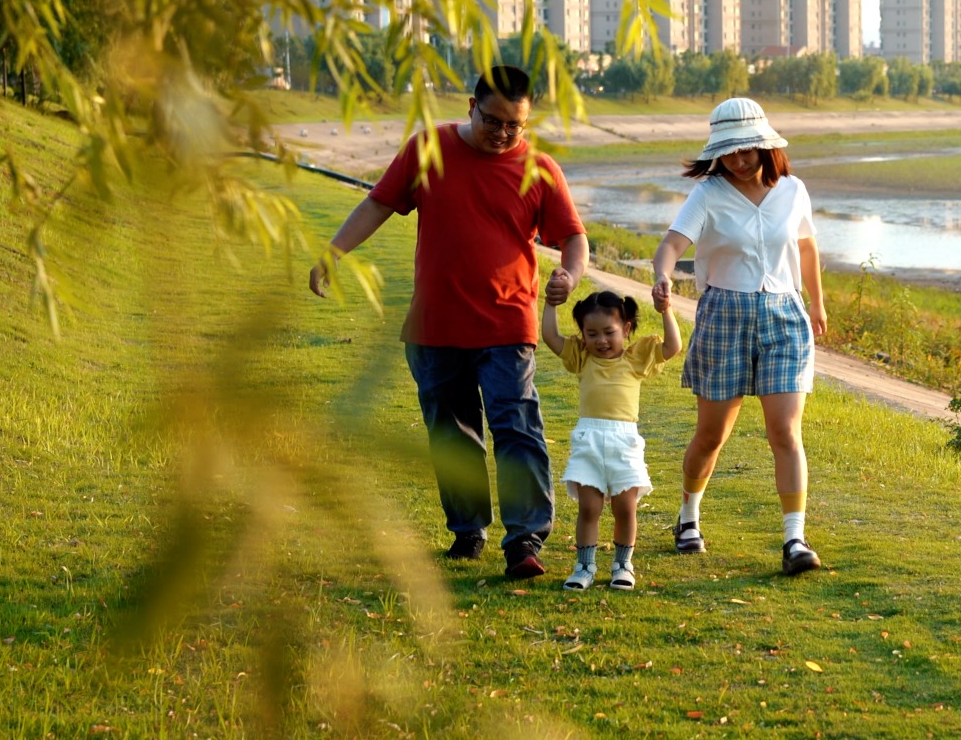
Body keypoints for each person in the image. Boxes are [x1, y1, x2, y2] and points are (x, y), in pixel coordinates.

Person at [307, 67, 587, 578]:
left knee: (516, 428)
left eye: (515, 125)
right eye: (493, 120)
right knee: (452, 434)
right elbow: (379, 204)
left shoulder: (539, 168)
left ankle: (524, 540)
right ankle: (468, 531)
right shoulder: (427, 149)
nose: (503, 133)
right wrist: (334, 252)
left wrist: (569, 275)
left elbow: (573, 238)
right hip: (435, 326)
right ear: (471, 108)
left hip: (508, 323)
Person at [649, 97, 828, 576]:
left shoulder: (793, 190)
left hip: (785, 315)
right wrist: (663, 275)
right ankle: (688, 517)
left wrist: (817, 302)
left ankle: (795, 539)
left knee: (785, 431)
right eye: (728, 152)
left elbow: (807, 248)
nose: (739, 159)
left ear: (765, 144)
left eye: (746, 148)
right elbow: (671, 243)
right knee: (711, 435)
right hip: (723, 314)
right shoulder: (707, 193)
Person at [539, 288, 682, 590]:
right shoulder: (582, 358)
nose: (600, 341)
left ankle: (622, 564)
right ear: (583, 334)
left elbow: (673, 345)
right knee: (589, 508)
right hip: (589, 441)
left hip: (623, 442)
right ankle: (584, 566)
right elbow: (551, 338)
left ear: (626, 329)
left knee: (624, 508)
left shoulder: (637, 358)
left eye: (609, 332)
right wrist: (551, 304)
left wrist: (666, 309)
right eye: (591, 334)